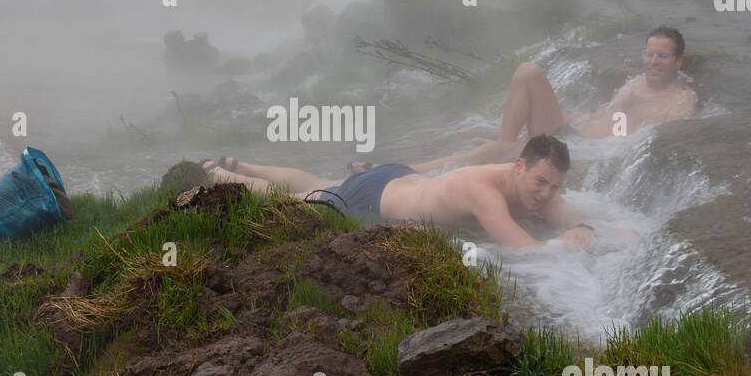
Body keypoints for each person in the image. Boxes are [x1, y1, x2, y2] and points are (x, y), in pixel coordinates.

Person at [203, 134, 594, 251]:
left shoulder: (534, 184)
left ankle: (243, 163)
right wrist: (567, 246)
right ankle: (220, 176)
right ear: (519, 166)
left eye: (553, 186)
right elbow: (526, 251)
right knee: (300, 201)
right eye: (540, 182)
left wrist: (583, 229)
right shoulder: (483, 190)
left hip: (399, 178)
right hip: (373, 200)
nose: (545, 194)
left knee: (319, 182)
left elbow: (570, 216)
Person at [393, 27, 697, 173]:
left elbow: (649, 146)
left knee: (496, 149)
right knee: (528, 71)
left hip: (582, 147)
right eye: (649, 54)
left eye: (663, 55)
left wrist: (594, 150)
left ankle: (407, 169)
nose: (653, 61)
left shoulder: (681, 102)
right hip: (571, 131)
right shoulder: (636, 84)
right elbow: (607, 113)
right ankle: (505, 147)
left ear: (678, 62)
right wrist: (575, 115)